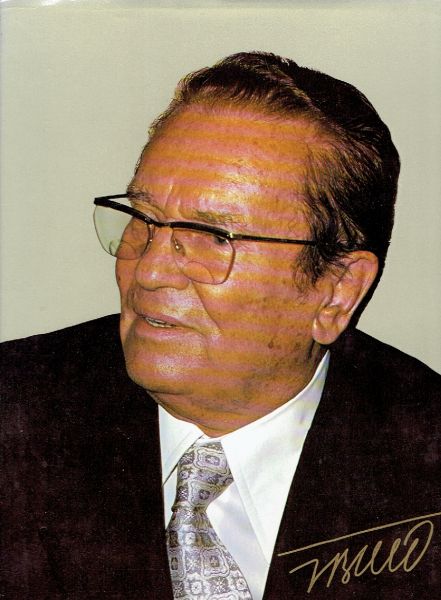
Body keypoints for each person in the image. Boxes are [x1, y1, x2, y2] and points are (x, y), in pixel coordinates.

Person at [1, 51, 439, 600]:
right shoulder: (17, 408)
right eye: (142, 219)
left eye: (212, 237)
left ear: (335, 291)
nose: (149, 271)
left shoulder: (422, 460)